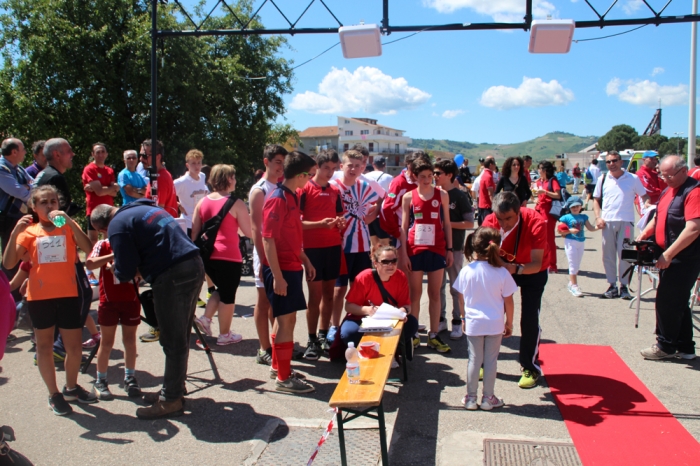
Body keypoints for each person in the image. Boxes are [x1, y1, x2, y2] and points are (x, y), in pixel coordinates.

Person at [90, 198, 205, 420]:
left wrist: (118, 268)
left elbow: (124, 270)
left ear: (102, 228)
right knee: (180, 336)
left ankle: (171, 400)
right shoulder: (141, 208)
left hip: (172, 275)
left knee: (172, 340)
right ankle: (173, 389)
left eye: (102, 233)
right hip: (193, 263)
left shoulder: (117, 226)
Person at [3, 186, 97, 415]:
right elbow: (7, 264)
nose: (50, 206)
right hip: (40, 297)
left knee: (74, 348)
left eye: (53, 201)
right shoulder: (29, 231)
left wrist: (69, 221)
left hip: (68, 295)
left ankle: (71, 387)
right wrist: (15, 232)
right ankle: (54, 394)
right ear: (34, 207)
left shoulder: (65, 227)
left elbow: (89, 249)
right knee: (44, 347)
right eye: (43, 202)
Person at [261, 151, 317, 394]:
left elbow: (290, 235)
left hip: (291, 266)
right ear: (302, 175)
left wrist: (304, 259)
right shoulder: (278, 198)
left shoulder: (292, 196)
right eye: (310, 176)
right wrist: (278, 276)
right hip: (281, 269)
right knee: (286, 322)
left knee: (286, 320)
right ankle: (284, 378)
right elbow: (268, 239)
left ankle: (278, 367)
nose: (311, 180)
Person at [482, 192, 548, 389]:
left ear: (518, 211)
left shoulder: (536, 221)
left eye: (509, 218)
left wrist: (515, 268)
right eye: (500, 219)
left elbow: (536, 264)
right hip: (503, 269)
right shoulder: (489, 220)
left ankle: (530, 367)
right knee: (492, 315)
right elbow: (482, 253)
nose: (503, 224)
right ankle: (485, 363)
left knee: (529, 319)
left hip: (531, 271)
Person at [637, 155, 700, 361]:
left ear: (684, 171)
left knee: (666, 301)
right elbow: (658, 217)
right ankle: (685, 347)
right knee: (678, 302)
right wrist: (644, 234)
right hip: (667, 253)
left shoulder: (694, 191)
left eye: (669, 175)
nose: (664, 179)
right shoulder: (667, 189)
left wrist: (669, 254)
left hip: (684, 257)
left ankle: (665, 345)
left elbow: (693, 228)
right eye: (662, 175)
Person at [454, 227, 516, 410]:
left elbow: (460, 297)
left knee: (474, 359)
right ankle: (488, 398)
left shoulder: (467, 271)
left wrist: (464, 317)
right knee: (491, 360)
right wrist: (509, 322)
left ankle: (471, 398)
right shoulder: (502, 272)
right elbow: (509, 301)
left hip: (474, 322)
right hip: (495, 322)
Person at [192, 164, 252, 345]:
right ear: (227, 179)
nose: (235, 180)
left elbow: (194, 232)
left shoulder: (202, 202)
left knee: (221, 289)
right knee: (228, 296)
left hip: (207, 256)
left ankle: (206, 319)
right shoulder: (236, 203)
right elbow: (249, 232)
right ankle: (224, 334)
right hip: (228, 255)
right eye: (233, 177)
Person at [400, 158, 454, 353]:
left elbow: (447, 223)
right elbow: (404, 227)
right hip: (415, 250)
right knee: (415, 294)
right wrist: (404, 254)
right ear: (415, 176)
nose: (426, 180)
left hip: (437, 249)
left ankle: (433, 334)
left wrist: (449, 249)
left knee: (435, 294)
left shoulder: (442, 195)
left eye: (430, 176)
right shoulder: (408, 197)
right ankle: (414, 334)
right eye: (422, 177)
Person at [330, 150, 382, 341]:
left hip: (361, 246)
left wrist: (372, 216)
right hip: (340, 246)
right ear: (341, 166)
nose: (353, 169)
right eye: (349, 165)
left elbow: (380, 201)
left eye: (357, 165)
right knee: (338, 289)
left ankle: (357, 324)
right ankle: (334, 327)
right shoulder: (333, 186)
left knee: (360, 288)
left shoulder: (366, 186)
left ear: (362, 167)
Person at [298, 150, 345, 358]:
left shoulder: (335, 190)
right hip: (312, 250)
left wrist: (340, 223)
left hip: (333, 247)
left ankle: (324, 335)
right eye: (326, 168)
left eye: (334, 169)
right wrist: (320, 224)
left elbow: (340, 217)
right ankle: (311, 340)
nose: (330, 173)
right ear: (317, 166)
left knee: (329, 295)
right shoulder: (305, 189)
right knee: (314, 297)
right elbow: (297, 223)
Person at [85, 238, 142, 400]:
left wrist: (122, 269)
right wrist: (113, 256)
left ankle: (130, 378)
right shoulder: (103, 244)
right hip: (108, 301)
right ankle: (100, 380)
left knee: (130, 340)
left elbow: (144, 270)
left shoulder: (135, 243)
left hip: (131, 300)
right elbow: (90, 264)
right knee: (107, 342)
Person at [341, 245, 418, 362]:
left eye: (394, 261)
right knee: (348, 333)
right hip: (363, 318)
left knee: (412, 323)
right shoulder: (364, 277)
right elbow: (348, 306)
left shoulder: (400, 276)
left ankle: (394, 349)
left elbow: (406, 305)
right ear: (375, 263)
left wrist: (402, 312)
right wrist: (367, 310)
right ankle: (374, 351)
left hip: (390, 320)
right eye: (385, 262)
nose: (390, 265)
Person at [249, 144, 288, 366]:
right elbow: (256, 229)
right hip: (264, 252)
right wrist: (264, 259)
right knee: (263, 301)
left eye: (283, 163)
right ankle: (264, 347)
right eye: (277, 162)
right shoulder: (260, 190)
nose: (281, 167)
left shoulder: (283, 186)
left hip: (281, 251)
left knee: (278, 301)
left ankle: (278, 345)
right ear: (266, 162)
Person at [593, 151, 648, 299]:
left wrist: (648, 208)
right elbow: (596, 199)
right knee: (608, 255)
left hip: (627, 223)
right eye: (608, 162)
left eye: (614, 161)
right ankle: (612, 285)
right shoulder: (603, 178)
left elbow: (644, 196)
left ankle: (624, 287)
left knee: (626, 255)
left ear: (621, 162)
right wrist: (598, 217)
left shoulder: (633, 178)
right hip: (607, 222)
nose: (611, 164)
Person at [435, 159, 474, 340]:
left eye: (438, 173)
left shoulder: (460, 196)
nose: (434, 177)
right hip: (435, 247)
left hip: (456, 248)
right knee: (438, 286)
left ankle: (457, 321)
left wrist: (448, 225)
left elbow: (469, 223)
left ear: (449, 175)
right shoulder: (433, 194)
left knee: (456, 286)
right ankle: (440, 319)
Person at [0, 138, 32, 287]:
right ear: (14, 152)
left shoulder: (18, 169)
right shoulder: (1, 168)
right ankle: (7, 292)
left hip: (18, 218)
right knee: (10, 256)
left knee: (21, 254)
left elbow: (33, 184)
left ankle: (16, 290)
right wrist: (25, 188)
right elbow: (18, 191)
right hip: (6, 219)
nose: (25, 152)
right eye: (23, 149)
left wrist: (26, 187)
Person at [557, 196, 598, 297]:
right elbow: (559, 230)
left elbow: (591, 228)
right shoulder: (565, 217)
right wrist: (570, 230)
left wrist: (599, 227)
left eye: (577, 206)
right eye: (572, 207)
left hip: (581, 242)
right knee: (573, 264)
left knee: (577, 265)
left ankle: (571, 283)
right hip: (570, 241)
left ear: (580, 206)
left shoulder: (584, 217)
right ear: (569, 208)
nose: (575, 208)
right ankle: (574, 285)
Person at [34, 138, 77, 216]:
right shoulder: (55, 178)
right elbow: (58, 214)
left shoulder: (46, 173)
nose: (72, 154)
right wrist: (65, 227)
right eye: (69, 151)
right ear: (57, 155)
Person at [534, 161, 562, 273]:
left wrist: (544, 192)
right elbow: (537, 194)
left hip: (548, 211)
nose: (538, 171)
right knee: (541, 238)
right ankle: (544, 262)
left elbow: (557, 195)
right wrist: (536, 198)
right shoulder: (539, 181)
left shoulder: (552, 181)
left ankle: (552, 265)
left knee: (549, 239)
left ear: (545, 170)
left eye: (540, 169)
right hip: (539, 209)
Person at [174, 149, 209, 236]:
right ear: (187, 165)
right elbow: (166, 195)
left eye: (199, 163)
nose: (197, 166)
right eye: (193, 163)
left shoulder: (202, 176)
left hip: (201, 222)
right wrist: (177, 204)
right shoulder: (180, 182)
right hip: (188, 223)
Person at [142, 139, 178, 218]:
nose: (141, 159)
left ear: (158, 157)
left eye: (145, 156)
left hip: (161, 227)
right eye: (141, 155)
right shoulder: (160, 175)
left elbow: (158, 209)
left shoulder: (160, 177)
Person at [364, 156, 394, 249]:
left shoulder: (365, 176)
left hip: (368, 212)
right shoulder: (389, 177)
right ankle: (384, 263)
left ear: (373, 165)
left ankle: (374, 262)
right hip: (382, 214)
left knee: (373, 244)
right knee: (385, 243)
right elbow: (392, 195)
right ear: (384, 165)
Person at [478, 158, 496, 223]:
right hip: (487, 206)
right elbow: (490, 194)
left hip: (483, 205)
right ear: (491, 165)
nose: (495, 166)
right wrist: (495, 206)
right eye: (494, 164)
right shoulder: (488, 176)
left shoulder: (484, 174)